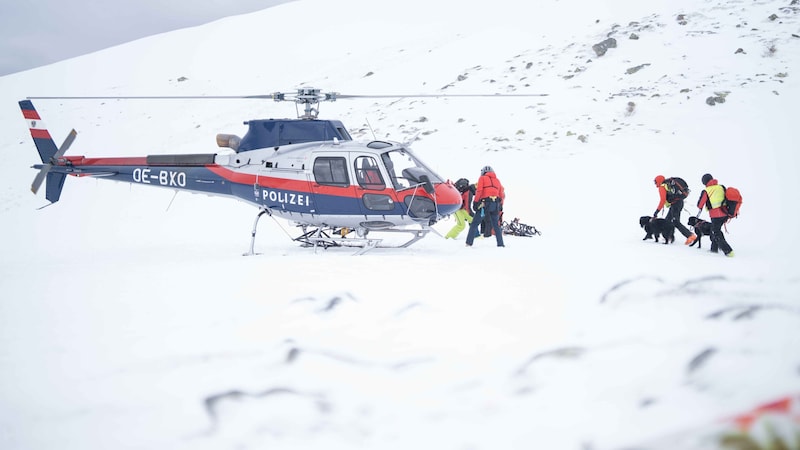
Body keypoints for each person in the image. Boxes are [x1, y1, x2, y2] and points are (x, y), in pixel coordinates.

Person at [695, 173, 734, 257]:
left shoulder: (707, 190)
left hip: (716, 215)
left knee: (715, 232)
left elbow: (700, 204)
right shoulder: (721, 187)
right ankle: (714, 249)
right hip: (725, 213)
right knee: (715, 231)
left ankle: (728, 251)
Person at [466, 166, 505, 247]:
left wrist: (475, 202)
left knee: (474, 223)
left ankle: (469, 243)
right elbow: (501, 194)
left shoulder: (482, 178)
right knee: (496, 225)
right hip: (495, 204)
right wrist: (500, 205)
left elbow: (479, 191)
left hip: (485, 204)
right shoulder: (497, 181)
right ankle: (500, 244)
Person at [653, 175, 697, 245]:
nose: (655, 184)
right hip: (678, 202)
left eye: (655, 182)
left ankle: (690, 235)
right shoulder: (668, 184)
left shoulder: (662, 187)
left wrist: (657, 211)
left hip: (676, 204)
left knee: (676, 222)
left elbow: (662, 200)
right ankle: (670, 237)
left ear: (658, 181)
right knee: (667, 221)